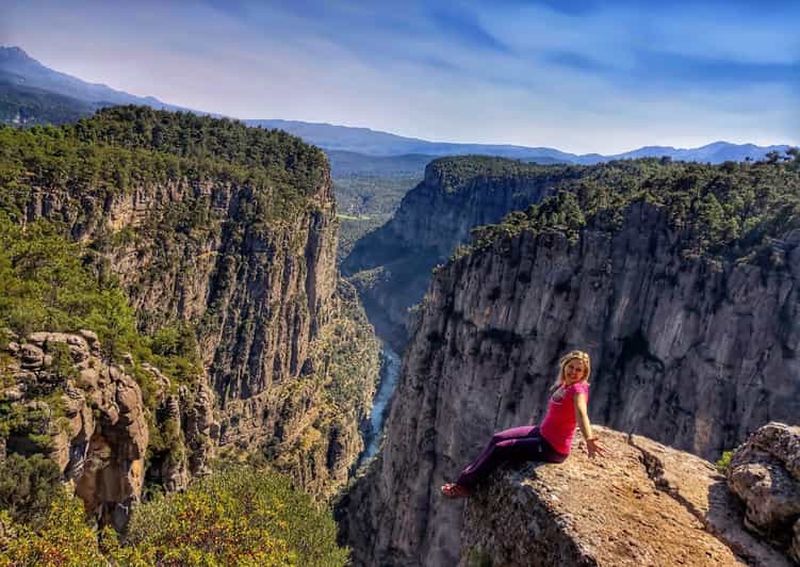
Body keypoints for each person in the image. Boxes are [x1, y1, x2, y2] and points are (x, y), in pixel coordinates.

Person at [441, 350, 605, 498]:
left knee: (501, 449)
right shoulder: (565, 385)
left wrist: (588, 438)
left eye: (579, 370)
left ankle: (465, 486)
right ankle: (465, 477)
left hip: (552, 447)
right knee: (497, 438)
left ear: (584, 374)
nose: (573, 372)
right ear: (565, 366)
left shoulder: (578, 391)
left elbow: (581, 412)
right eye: (571, 367)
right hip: (542, 433)